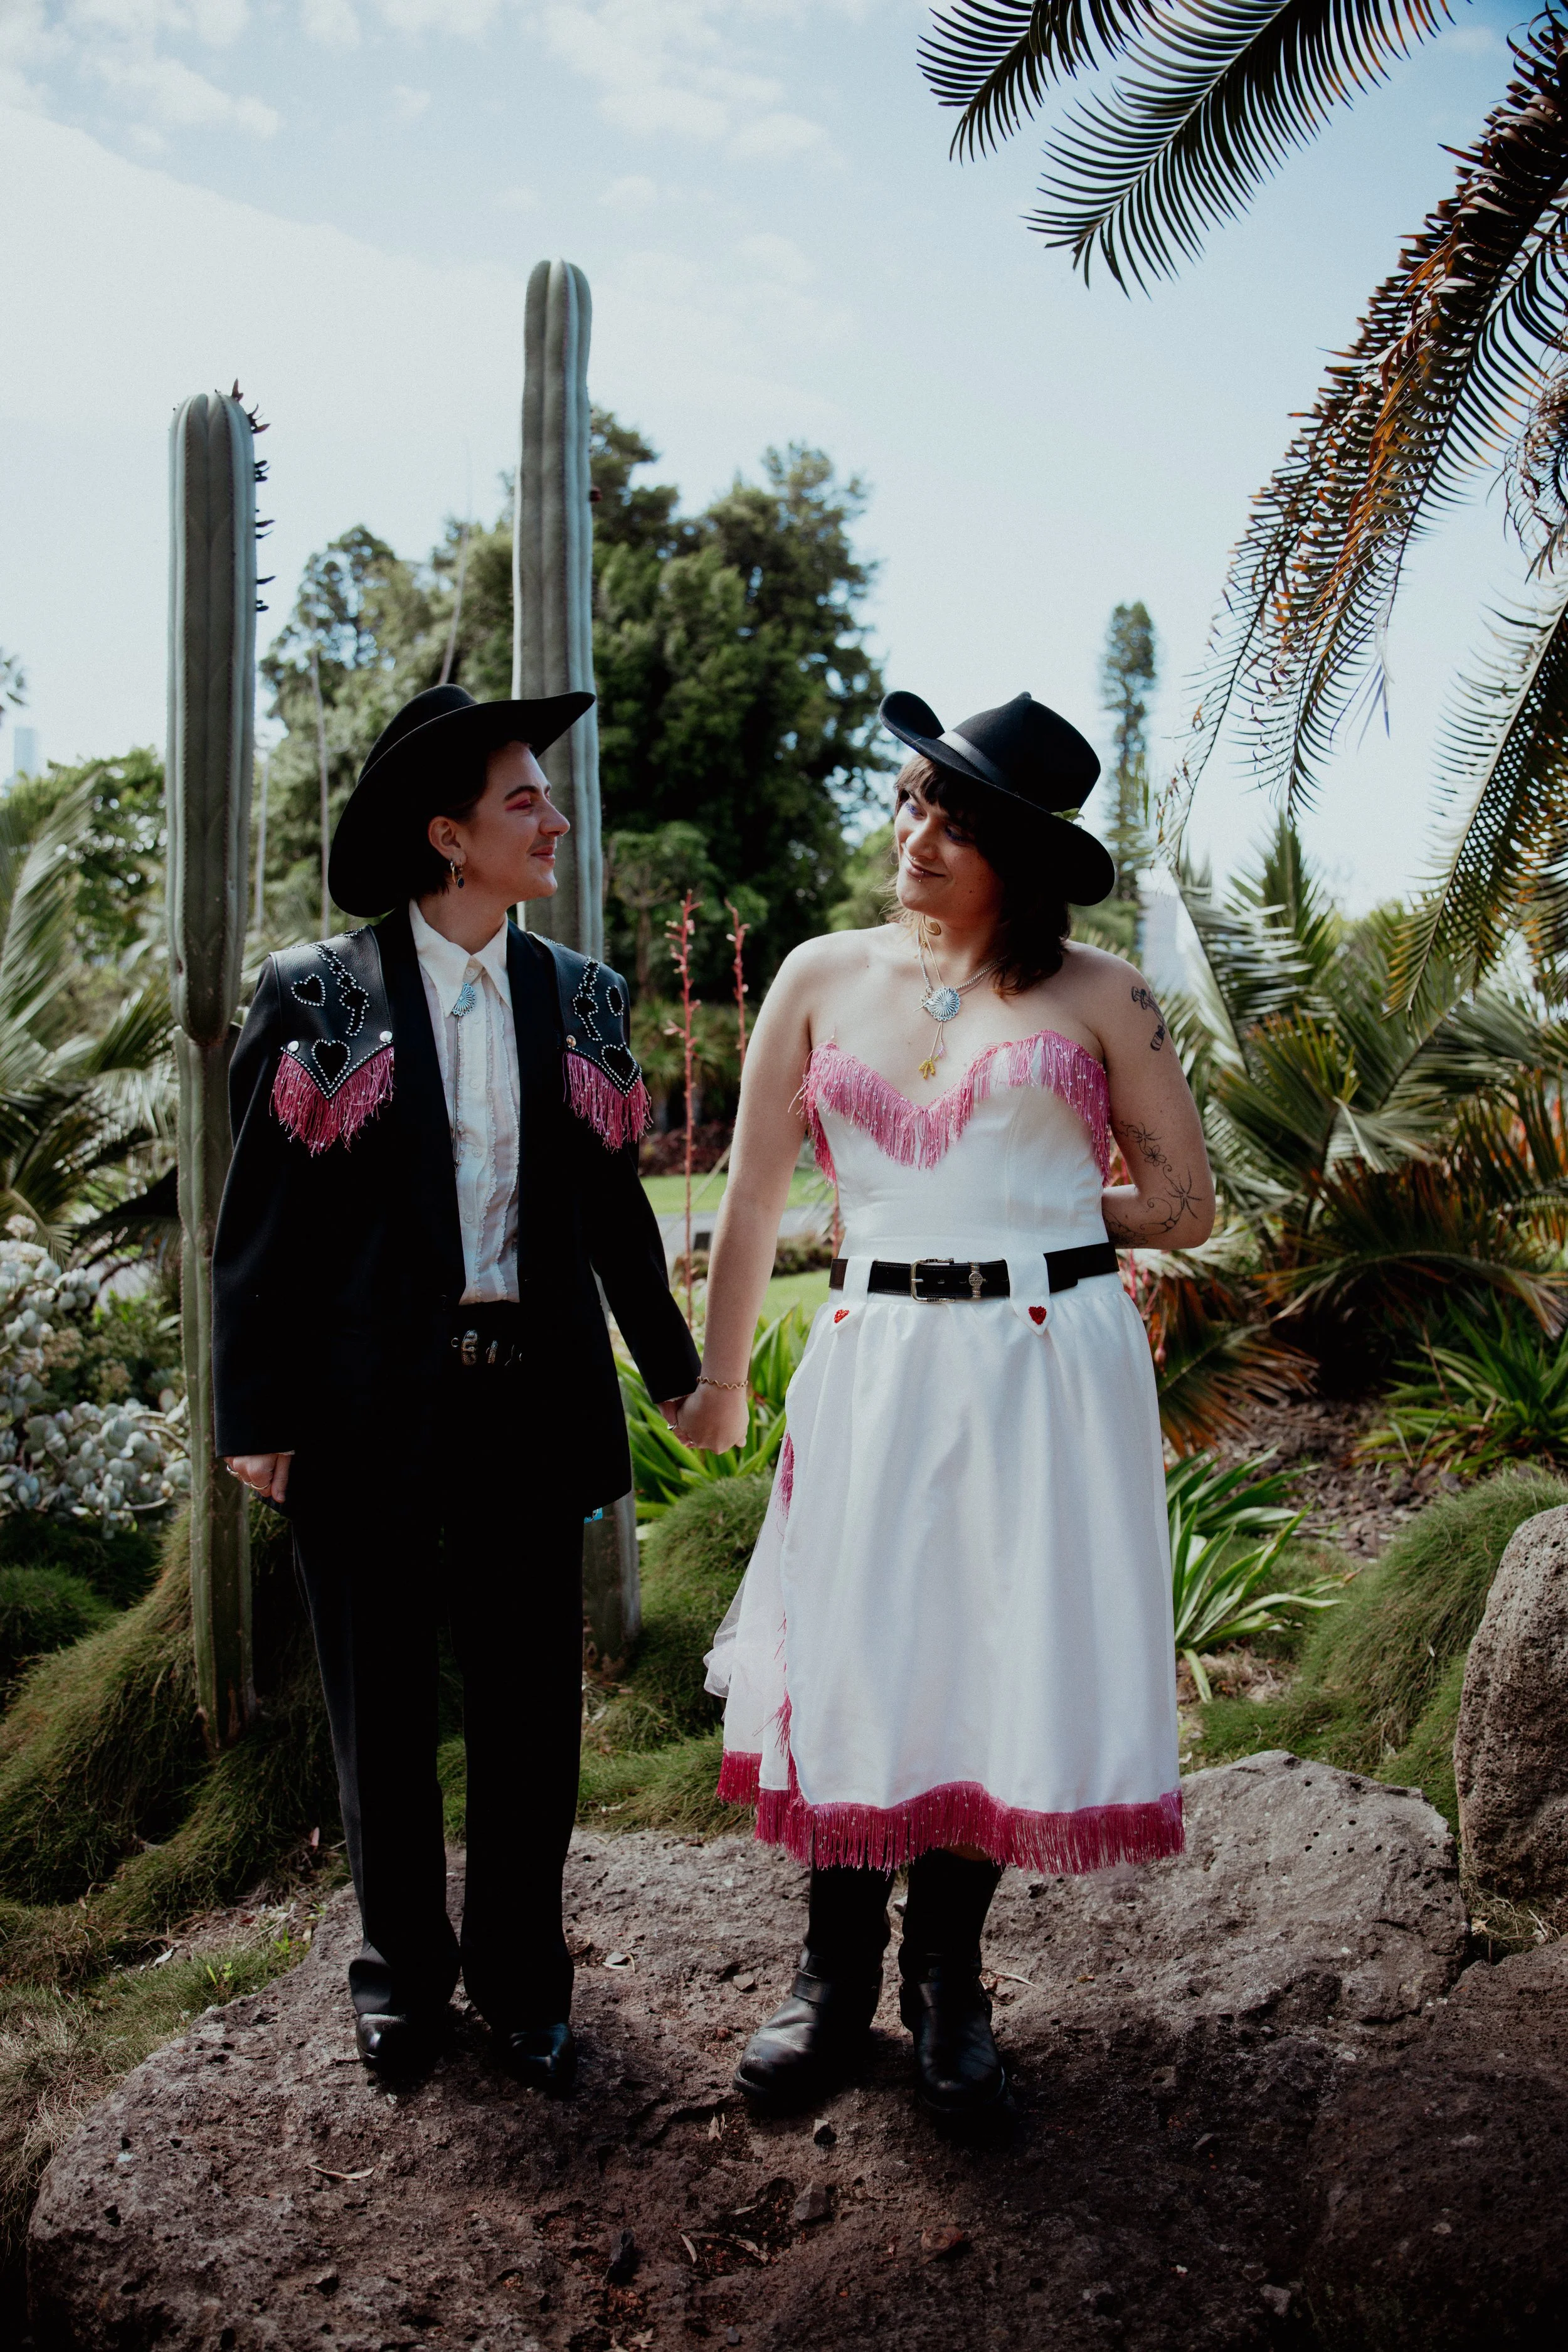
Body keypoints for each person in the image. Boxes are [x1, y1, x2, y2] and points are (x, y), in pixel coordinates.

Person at [684, 689, 1214, 2119]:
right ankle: (827, 1981)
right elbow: (747, 1198)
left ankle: (946, 1991)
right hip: (876, 1358)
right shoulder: (814, 973)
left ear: (1021, 856)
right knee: (861, 1646)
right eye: (912, 800)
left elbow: (1183, 1203)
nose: (915, 833)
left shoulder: (1100, 993)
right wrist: (722, 1380)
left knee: (985, 1652)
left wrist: (1035, 1211)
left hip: (1046, 1361)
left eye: (955, 819)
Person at [214, 683, 699, 2091]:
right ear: (447, 836)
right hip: (361, 1407)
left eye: (544, 796)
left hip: (528, 1400)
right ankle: (400, 1978)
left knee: (529, 1710)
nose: (552, 818)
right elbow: (258, 1224)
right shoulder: (320, 995)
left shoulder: (583, 996)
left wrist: (675, 1376)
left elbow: (613, 1216)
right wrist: (258, 1416)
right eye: (522, 801)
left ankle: (524, 1976)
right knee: (377, 1706)